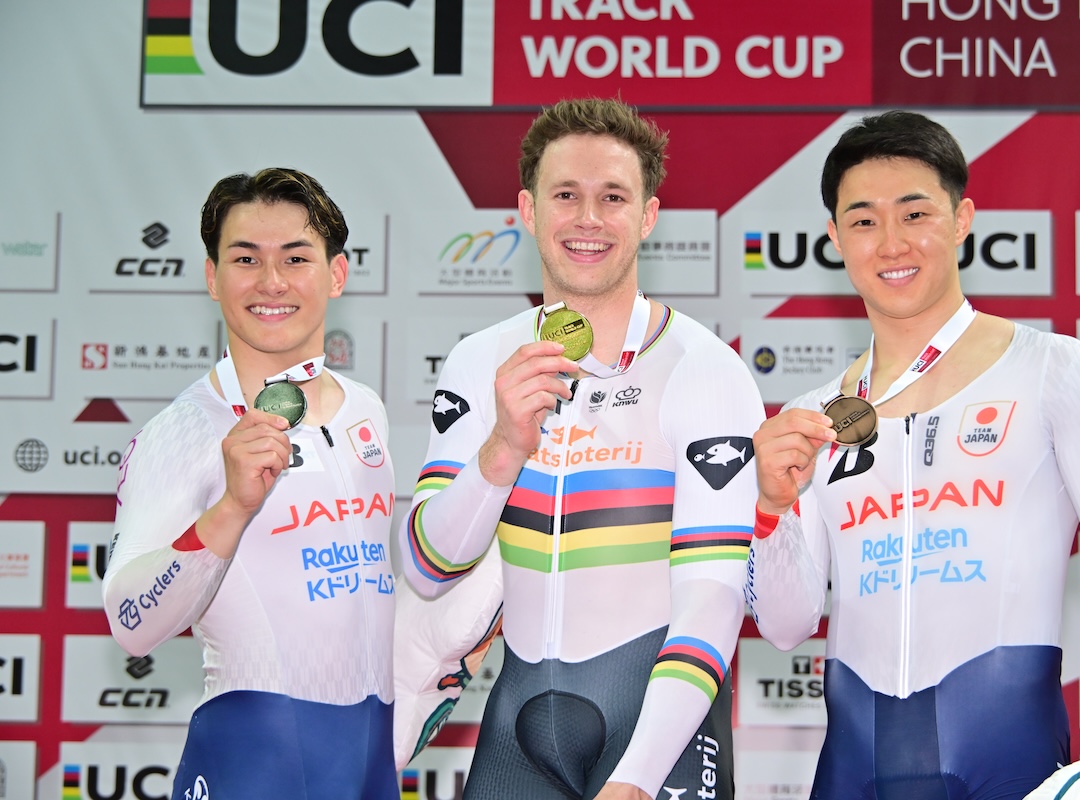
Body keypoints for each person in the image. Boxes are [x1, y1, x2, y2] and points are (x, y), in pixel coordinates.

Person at [746, 111, 1080, 799]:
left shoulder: (1053, 369)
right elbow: (784, 627)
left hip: (1009, 764)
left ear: (962, 219)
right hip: (852, 773)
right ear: (834, 238)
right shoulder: (816, 415)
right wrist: (772, 509)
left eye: (915, 214)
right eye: (863, 221)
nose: (891, 242)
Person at [399, 97, 764, 800]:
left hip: (657, 731)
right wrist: (502, 449)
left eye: (613, 197)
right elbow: (428, 568)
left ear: (648, 217)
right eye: (566, 195)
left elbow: (713, 597)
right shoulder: (480, 362)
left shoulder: (704, 370)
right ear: (528, 210)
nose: (588, 218)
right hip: (518, 721)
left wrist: (637, 778)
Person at [102, 168, 399, 800]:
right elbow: (131, 622)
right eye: (245, 259)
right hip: (253, 764)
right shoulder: (185, 430)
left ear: (337, 274)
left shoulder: (364, 409)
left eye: (295, 258)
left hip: (370, 764)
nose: (271, 282)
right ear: (213, 278)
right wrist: (232, 509)